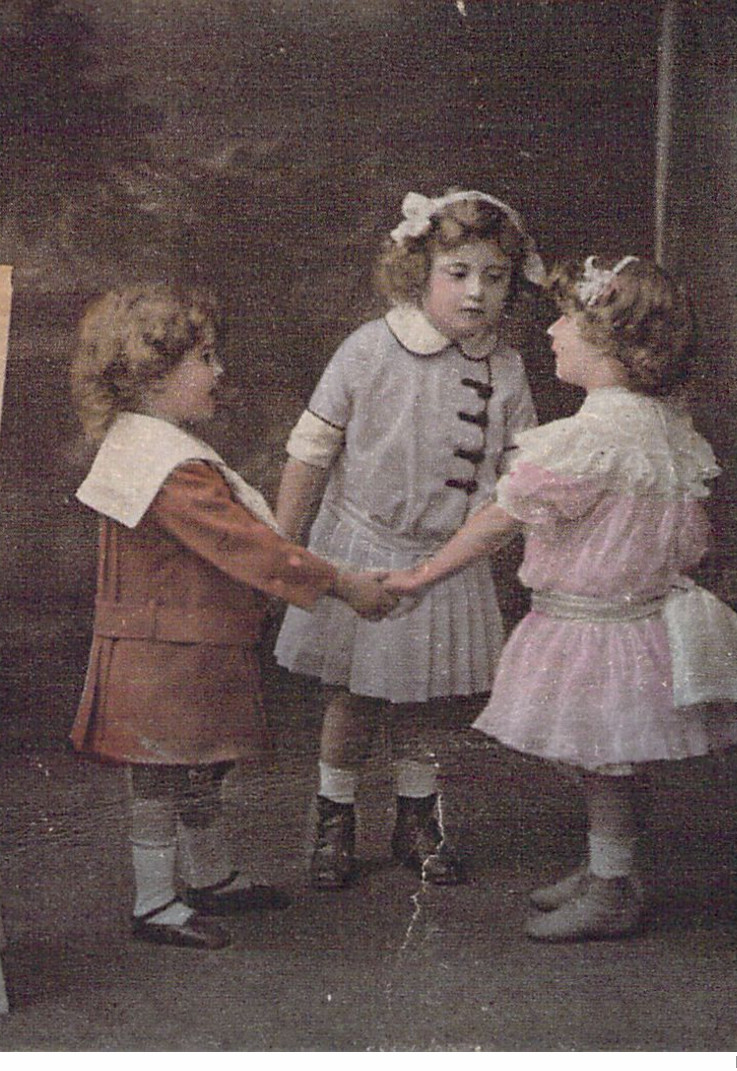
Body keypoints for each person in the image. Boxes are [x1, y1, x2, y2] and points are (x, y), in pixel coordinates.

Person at [380, 255, 737, 941]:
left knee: (604, 762)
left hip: (598, 630)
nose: (552, 331)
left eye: (567, 319)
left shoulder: (585, 439)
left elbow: (494, 524)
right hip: (634, 621)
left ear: (608, 344)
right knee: (605, 759)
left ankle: (614, 889)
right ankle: (606, 866)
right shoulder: (665, 429)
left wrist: (420, 575)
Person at [69, 284, 397, 950]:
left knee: (198, 766)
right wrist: (340, 583)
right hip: (163, 651)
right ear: (150, 375)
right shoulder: (166, 466)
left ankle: (209, 874)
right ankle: (154, 899)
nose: (219, 373)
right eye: (205, 358)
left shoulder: (157, 448)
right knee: (162, 772)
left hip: (188, 643)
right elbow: (245, 543)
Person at [274, 189, 544, 889]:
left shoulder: (507, 368)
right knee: (354, 694)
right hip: (361, 546)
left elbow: (520, 469)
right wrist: (281, 545)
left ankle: (416, 818)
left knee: (425, 700)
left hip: (446, 558)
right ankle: (333, 817)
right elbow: (310, 448)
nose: (476, 292)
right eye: (457, 272)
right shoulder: (369, 349)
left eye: (493, 276)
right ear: (417, 269)